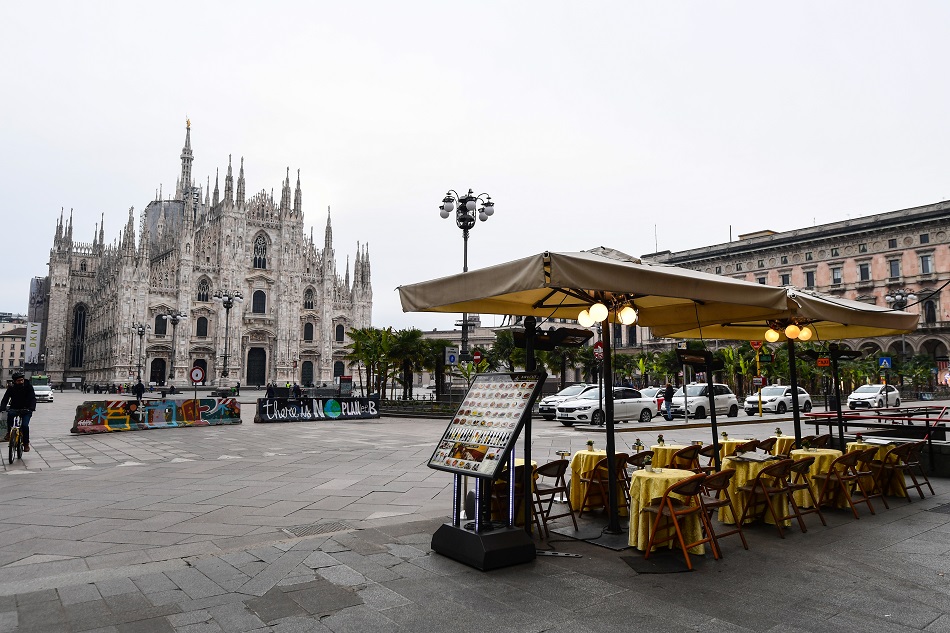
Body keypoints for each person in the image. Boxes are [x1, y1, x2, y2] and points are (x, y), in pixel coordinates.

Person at [0, 372, 37, 451]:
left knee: (24, 426)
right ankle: (9, 433)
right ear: (14, 381)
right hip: (15, 408)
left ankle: (26, 443)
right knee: (10, 415)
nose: (20, 382)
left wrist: (32, 407)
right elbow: (5, 399)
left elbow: (32, 398)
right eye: (18, 380)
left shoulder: (28, 387)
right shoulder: (11, 388)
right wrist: (2, 408)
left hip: (26, 409)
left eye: (21, 380)